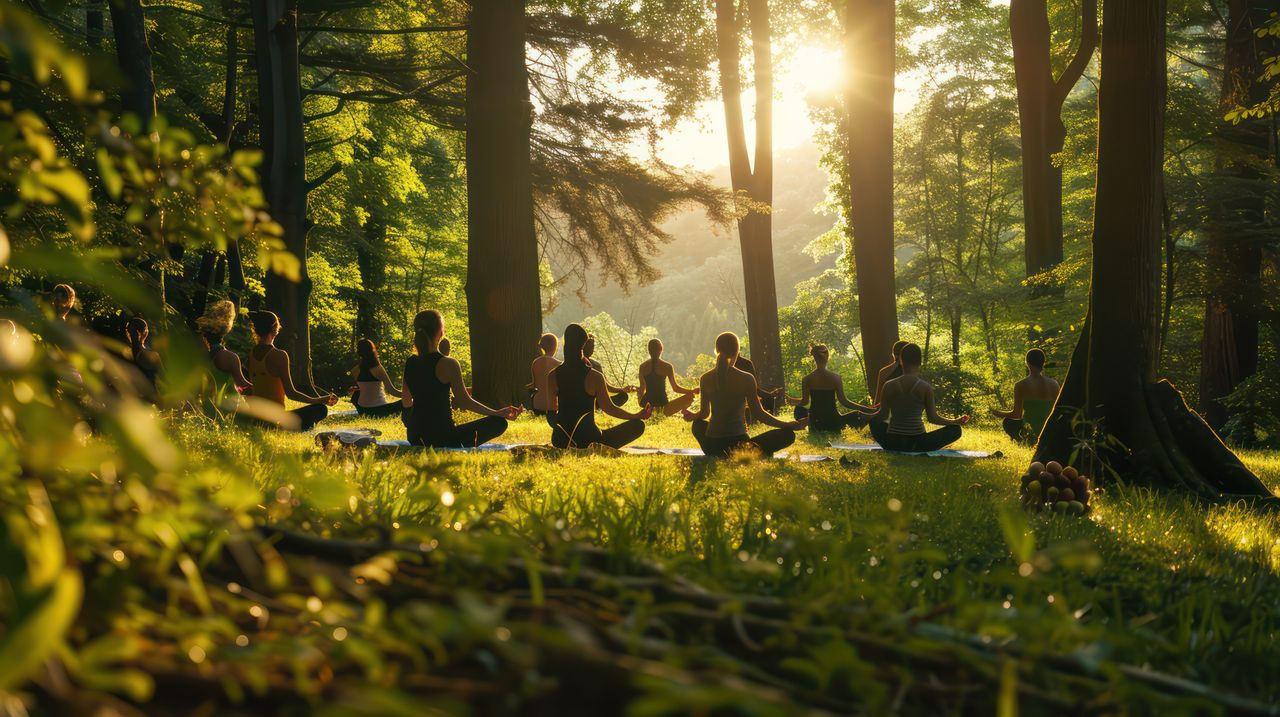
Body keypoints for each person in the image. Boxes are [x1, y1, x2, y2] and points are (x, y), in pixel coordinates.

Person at [402, 309, 521, 447]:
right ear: (441, 332)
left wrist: (414, 426)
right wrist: (497, 413)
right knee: (499, 422)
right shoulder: (448, 363)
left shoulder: (411, 362)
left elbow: (406, 400)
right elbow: (465, 402)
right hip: (443, 438)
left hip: (414, 437)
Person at [683, 332, 805, 458]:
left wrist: (693, 416)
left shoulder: (705, 378)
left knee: (697, 424)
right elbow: (759, 414)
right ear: (737, 351)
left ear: (716, 350)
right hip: (739, 446)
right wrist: (787, 425)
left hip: (712, 445)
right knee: (788, 435)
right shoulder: (746, 378)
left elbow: (704, 414)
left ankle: (722, 454)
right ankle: (753, 453)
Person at [548, 324, 651, 449]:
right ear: (584, 345)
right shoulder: (594, 376)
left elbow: (551, 416)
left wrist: (565, 433)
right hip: (589, 440)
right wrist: (636, 416)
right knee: (638, 426)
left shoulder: (552, 375)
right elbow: (610, 409)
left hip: (560, 440)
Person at [859, 343, 970, 453]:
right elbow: (933, 418)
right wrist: (955, 421)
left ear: (901, 361)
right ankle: (914, 448)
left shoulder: (889, 385)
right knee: (955, 430)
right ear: (920, 362)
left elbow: (882, 415)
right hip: (918, 443)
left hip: (892, 442)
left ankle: (899, 447)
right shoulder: (926, 388)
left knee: (874, 422)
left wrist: (867, 417)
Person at [246, 310, 337, 431]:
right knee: (320, 409)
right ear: (274, 328)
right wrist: (319, 400)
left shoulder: (250, 355)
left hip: (256, 419)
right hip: (276, 420)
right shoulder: (279, 355)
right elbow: (291, 393)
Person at [787, 344, 871, 432]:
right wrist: (867, 409)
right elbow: (844, 402)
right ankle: (874, 414)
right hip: (833, 423)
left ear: (814, 358)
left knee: (799, 409)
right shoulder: (835, 378)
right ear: (827, 357)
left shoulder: (807, 379)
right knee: (858, 415)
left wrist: (793, 401)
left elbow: (805, 401)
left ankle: (808, 422)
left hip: (815, 424)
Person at [992, 348, 1060, 444]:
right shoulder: (1054, 384)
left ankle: (1023, 441)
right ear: (1043, 362)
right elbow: (1058, 410)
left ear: (1027, 363)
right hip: (1050, 430)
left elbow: (1017, 414)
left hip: (1031, 431)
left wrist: (999, 413)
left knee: (1007, 421)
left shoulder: (1020, 385)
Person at [196, 300, 251, 412]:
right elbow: (242, 384)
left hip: (199, 405)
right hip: (221, 408)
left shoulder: (197, 349)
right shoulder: (230, 357)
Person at [637, 338, 698, 416]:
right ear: (661, 349)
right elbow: (675, 388)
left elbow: (642, 388)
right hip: (663, 406)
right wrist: (692, 391)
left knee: (648, 404)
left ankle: (650, 410)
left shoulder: (642, 366)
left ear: (649, 350)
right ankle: (683, 412)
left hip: (646, 403)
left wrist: (639, 400)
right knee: (690, 396)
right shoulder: (667, 367)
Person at [348, 338, 403, 417]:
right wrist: (410, 395)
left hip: (362, 410)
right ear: (372, 350)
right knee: (406, 401)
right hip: (380, 410)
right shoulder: (378, 368)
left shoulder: (354, 370)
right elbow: (392, 391)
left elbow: (365, 388)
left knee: (357, 393)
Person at [583, 334, 634, 406]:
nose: (591, 349)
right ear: (582, 347)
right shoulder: (574, 364)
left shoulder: (596, 365)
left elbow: (607, 387)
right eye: (589, 346)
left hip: (595, 400)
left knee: (623, 396)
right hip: (582, 400)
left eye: (592, 347)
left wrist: (622, 389)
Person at [124, 317, 163, 391]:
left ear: (127, 332)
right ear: (145, 332)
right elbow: (163, 377)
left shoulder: (125, 353)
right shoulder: (152, 355)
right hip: (150, 394)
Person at [528, 333, 561, 415]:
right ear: (554, 347)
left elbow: (534, 385)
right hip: (553, 406)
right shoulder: (558, 364)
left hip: (537, 404)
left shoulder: (535, 362)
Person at [872, 340, 910, 405]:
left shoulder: (883, 372)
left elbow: (877, 401)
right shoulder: (912, 372)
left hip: (888, 411)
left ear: (893, 354)